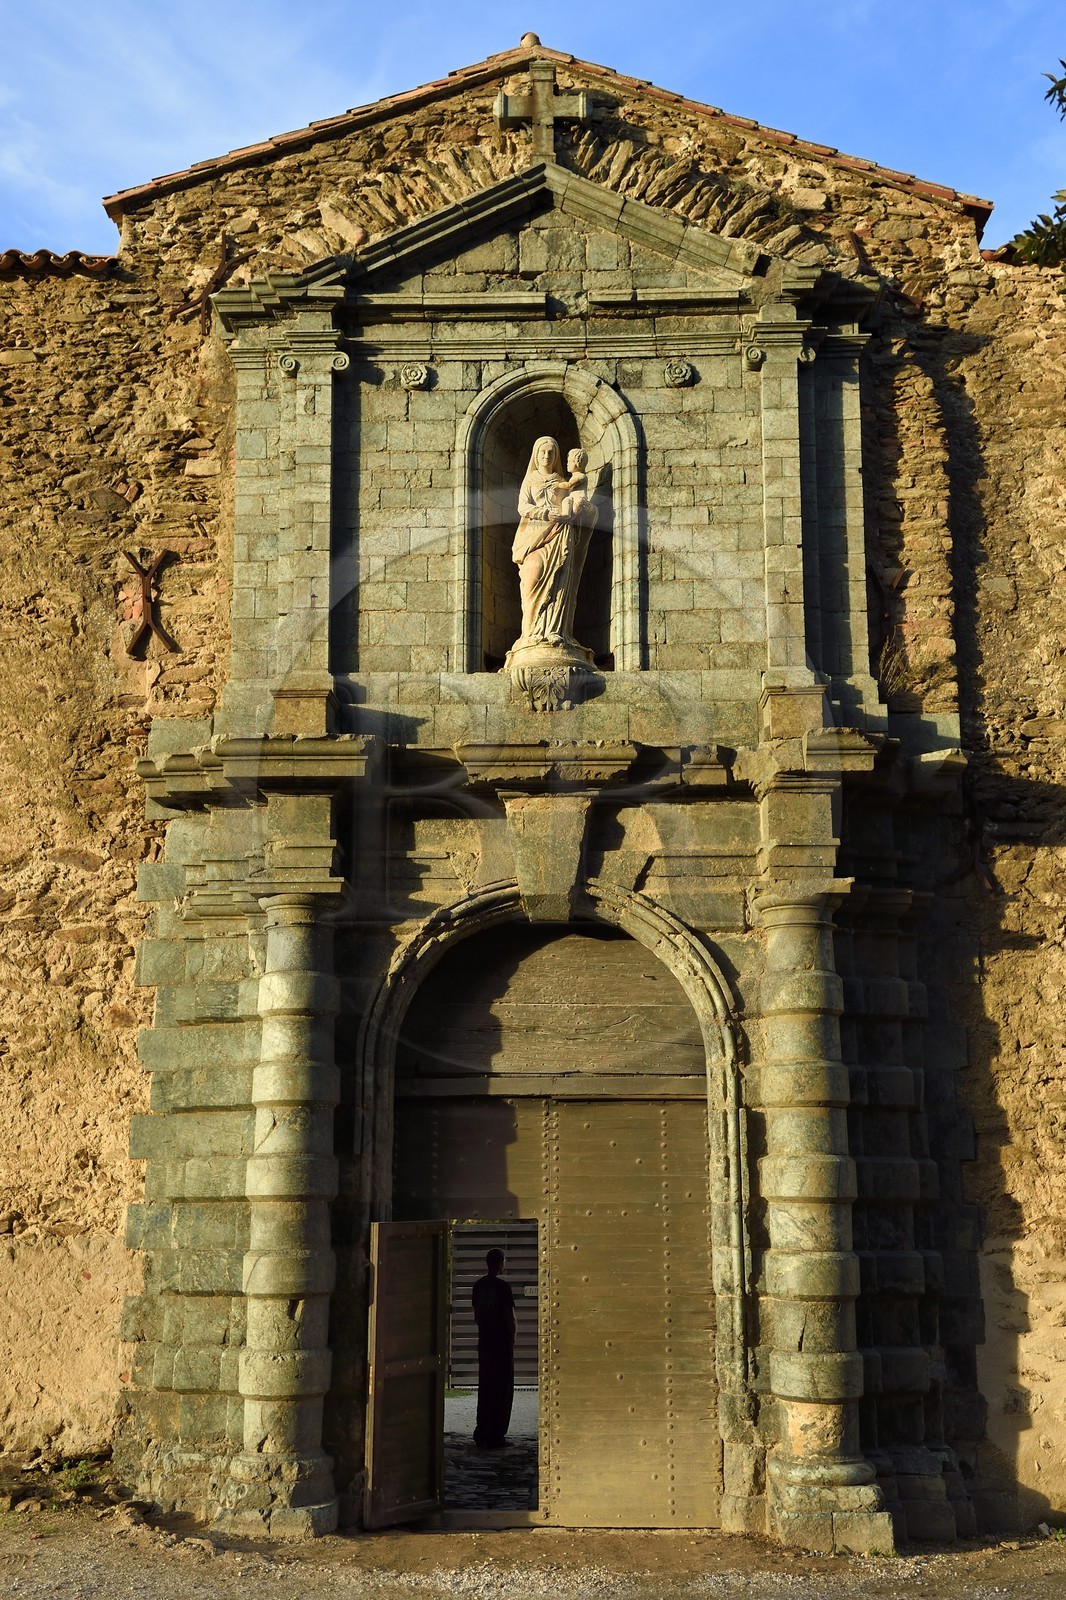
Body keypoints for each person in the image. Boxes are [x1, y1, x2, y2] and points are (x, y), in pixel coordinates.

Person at [510, 436, 598, 651]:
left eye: (551, 453)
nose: (547, 456)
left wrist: (585, 511)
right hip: (535, 534)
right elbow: (523, 507)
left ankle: (556, 631)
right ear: (536, 455)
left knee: (560, 581)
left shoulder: (562, 480)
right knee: (533, 574)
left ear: (556, 456)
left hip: (560, 534)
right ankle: (530, 633)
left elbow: (578, 505)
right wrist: (546, 513)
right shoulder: (530, 480)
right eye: (543, 452)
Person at [471, 1247, 516, 1449]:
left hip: (486, 1342)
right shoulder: (503, 1288)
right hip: (502, 1343)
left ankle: (482, 1431)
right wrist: (512, 1338)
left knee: (486, 1386)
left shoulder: (478, 1286)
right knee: (502, 1389)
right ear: (500, 1263)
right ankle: (497, 1434)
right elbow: (509, 1317)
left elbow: (477, 1314)